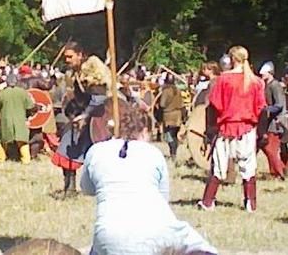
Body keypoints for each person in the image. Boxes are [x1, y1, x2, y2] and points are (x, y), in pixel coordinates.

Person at [81, 104, 217, 255]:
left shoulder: (96, 151)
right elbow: (163, 197)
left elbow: (86, 188)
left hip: (107, 236)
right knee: (206, 249)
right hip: (158, 232)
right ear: (145, 131)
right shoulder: (153, 153)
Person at [198, 46, 266, 212]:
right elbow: (261, 108)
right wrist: (261, 132)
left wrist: (210, 129)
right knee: (248, 167)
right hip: (247, 128)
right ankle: (250, 203)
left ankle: (208, 202)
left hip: (226, 128)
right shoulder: (256, 82)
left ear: (232, 59)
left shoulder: (224, 79)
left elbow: (214, 106)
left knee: (219, 166)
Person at [52, 42, 112, 196]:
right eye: (65, 57)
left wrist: (85, 116)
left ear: (80, 55)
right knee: (66, 148)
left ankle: (107, 188)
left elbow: (99, 98)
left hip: (100, 119)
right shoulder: (76, 73)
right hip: (84, 117)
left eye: (70, 56)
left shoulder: (93, 71)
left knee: (103, 157)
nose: (67, 60)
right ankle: (70, 188)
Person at [0, 73, 34, 164]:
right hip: (20, 120)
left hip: (6, 121)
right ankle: (26, 160)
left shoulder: (2, 93)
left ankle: (1, 159)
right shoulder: (23, 92)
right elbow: (30, 106)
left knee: (2, 139)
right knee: (22, 140)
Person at [257, 62, 287, 179]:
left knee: (271, 148)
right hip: (269, 121)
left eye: (263, 74)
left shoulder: (275, 85)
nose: (261, 76)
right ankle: (276, 171)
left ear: (269, 73)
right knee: (266, 147)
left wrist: (265, 110)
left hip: (277, 121)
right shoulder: (266, 85)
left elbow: (279, 105)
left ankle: (279, 173)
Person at [158, 75, 184, 161]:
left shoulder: (166, 91)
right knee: (174, 135)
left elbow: (162, 104)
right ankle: (174, 153)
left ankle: (173, 153)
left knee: (169, 136)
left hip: (169, 116)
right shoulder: (178, 90)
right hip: (178, 116)